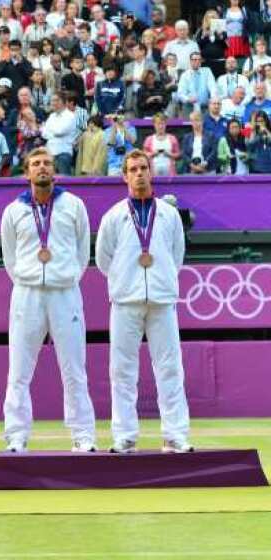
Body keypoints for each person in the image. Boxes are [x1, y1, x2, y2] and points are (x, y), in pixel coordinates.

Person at [95, 149, 193, 454]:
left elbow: (176, 255)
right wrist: (127, 279)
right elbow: (103, 259)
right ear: (124, 176)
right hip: (126, 300)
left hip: (162, 299)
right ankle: (125, 435)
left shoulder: (169, 214)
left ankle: (175, 434)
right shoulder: (113, 216)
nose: (139, 173)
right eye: (133, 169)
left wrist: (160, 278)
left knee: (170, 367)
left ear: (151, 172)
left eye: (143, 168)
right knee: (122, 370)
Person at [0, 147, 96, 453]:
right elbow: (9, 258)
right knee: (18, 370)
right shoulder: (13, 210)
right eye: (36, 164)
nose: (42, 168)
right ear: (27, 172)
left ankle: (83, 436)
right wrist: (30, 278)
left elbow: (83, 253)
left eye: (47, 164)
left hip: (64, 292)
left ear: (54, 171)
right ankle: (16, 436)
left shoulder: (74, 206)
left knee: (74, 369)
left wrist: (63, 276)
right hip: (26, 293)